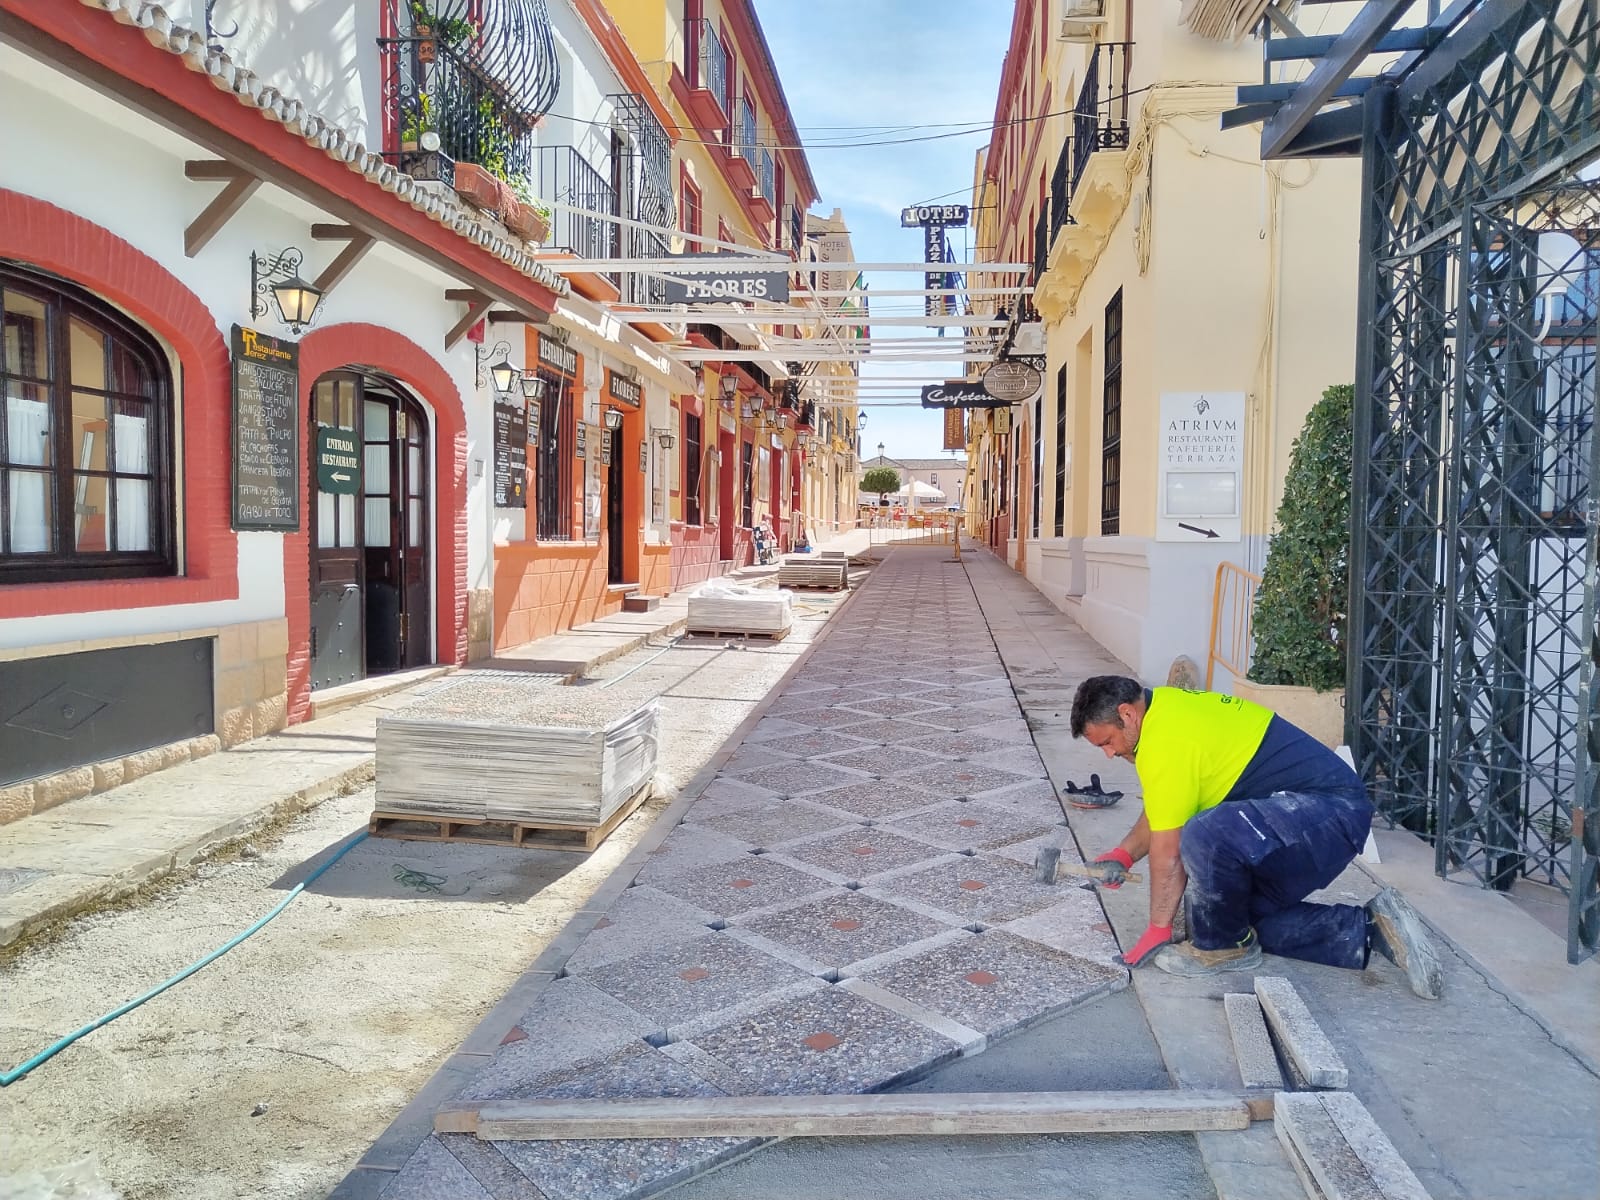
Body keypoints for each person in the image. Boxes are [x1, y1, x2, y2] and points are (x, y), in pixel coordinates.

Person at [1069, 676, 1442, 999]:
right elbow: (1165, 809)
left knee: (1203, 834)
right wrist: (1123, 854)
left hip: (1328, 813)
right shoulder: (1163, 711)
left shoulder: (1166, 739)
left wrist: (1157, 929)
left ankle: (1221, 950)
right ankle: (1370, 929)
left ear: (1127, 714)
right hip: (1300, 820)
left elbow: (1169, 850)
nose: (1109, 754)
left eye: (1107, 742)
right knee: (1224, 918)